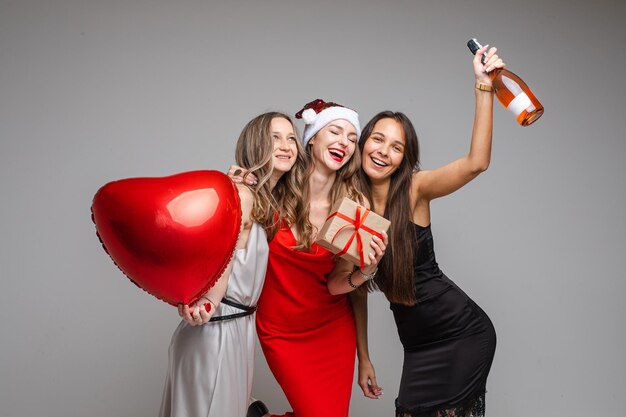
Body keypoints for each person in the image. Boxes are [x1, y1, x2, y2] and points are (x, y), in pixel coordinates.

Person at [327, 45, 504, 416]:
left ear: (404, 159)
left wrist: (483, 87)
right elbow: (353, 291)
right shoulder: (350, 208)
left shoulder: (415, 189)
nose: (383, 152)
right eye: (377, 139)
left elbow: (476, 163)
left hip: (462, 333)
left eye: (396, 147)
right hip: (417, 346)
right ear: (362, 143)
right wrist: (365, 358)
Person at [242, 99, 386, 417]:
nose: (344, 143)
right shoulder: (276, 187)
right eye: (335, 131)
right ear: (312, 137)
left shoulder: (354, 202)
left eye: (352, 138)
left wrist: (368, 270)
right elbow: (235, 226)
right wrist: (239, 180)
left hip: (331, 326)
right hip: (281, 330)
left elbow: (337, 285)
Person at [158, 112, 306, 417]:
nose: (286, 145)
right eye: (275, 137)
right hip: (217, 328)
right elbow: (225, 259)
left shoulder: (263, 198)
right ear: (256, 144)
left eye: (292, 138)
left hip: (235, 327)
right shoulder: (244, 194)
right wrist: (208, 302)